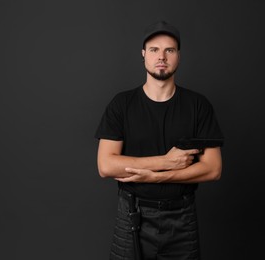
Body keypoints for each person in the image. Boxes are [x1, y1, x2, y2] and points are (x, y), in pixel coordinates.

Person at [95, 21, 224, 260]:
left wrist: (158, 176)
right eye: (154, 49)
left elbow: (213, 169)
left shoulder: (198, 105)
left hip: (182, 218)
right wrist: (165, 161)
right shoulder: (121, 104)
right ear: (143, 54)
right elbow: (106, 166)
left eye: (169, 50)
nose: (161, 56)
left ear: (179, 56)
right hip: (132, 215)